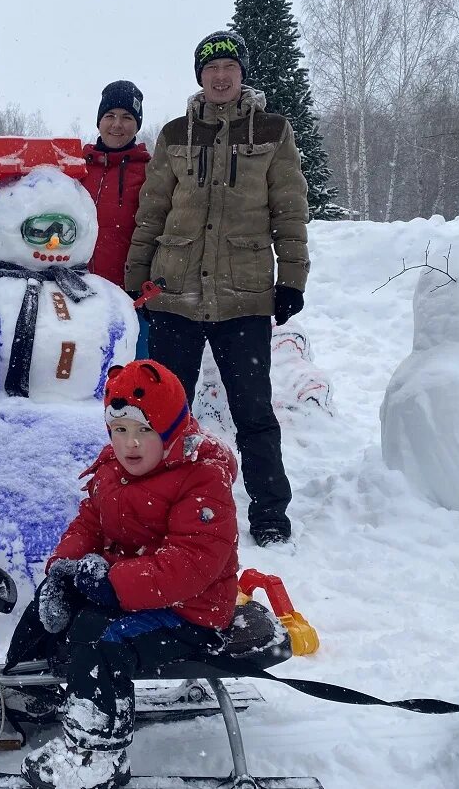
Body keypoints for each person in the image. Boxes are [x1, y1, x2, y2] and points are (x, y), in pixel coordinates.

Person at [16, 359, 240, 789]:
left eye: (144, 431)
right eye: (120, 430)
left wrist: (113, 584)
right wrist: (63, 569)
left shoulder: (202, 478)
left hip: (190, 612)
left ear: (173, 430)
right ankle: (31, 689)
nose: (130, 444)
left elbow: (191, 563)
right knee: (52, 603)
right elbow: (90, 523)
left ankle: (98, 757)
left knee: (100, 637)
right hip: (132, 588)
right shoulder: (112, 469)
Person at [124, 29, 309, 547]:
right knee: (162, 412)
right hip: (174, 292)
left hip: (243, 296)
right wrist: (135, 277)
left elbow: (289, 211)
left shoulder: (272, 130)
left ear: (241, 73)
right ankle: (158, 508)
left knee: (253, 413)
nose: (221, 76)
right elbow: (153, 209)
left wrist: (292, 278)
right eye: (211, 69)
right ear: (200, 78)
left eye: (229, 67)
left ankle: (270, 511)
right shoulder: (177, 134)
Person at [79, 81, 152, 359]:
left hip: (132, 298)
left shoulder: (150, 171)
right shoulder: (77, 167)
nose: (117, 125)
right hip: (77, 292)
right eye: (110, 116)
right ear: (99, 121)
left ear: (137, 124)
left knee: (132, 374)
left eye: (127, 117)